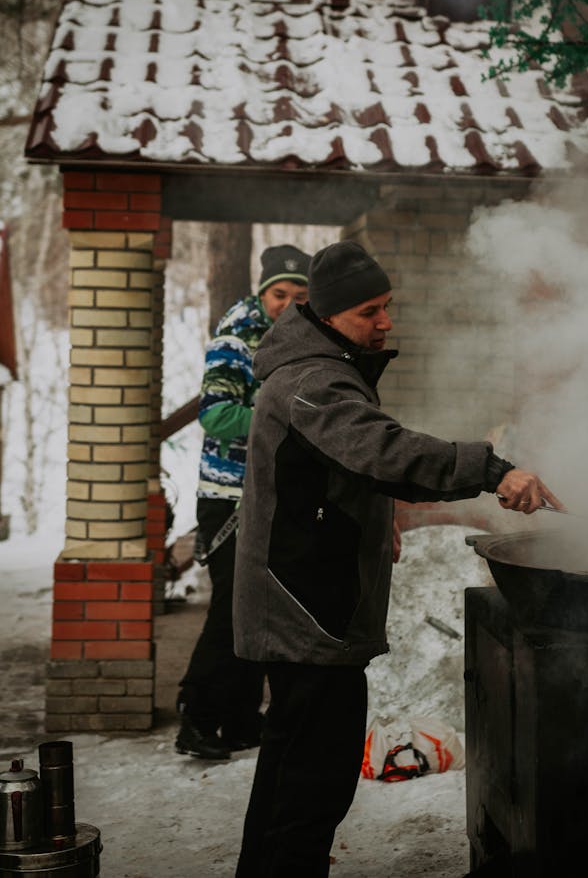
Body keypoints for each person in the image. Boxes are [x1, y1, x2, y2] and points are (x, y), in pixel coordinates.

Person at [231, 240, 562, 875]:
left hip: (304, 604)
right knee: (310, 789)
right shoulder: (311, 380)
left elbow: (333, 468)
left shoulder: (321, 367)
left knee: (288, 779)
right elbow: (382, 449)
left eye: (388, 306)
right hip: (303, 614)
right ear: (326, 317)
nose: (385, 321)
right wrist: (491, 469)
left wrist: (376, 519)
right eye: (368, 312)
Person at [175, 244, 311, 760]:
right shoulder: (237, 336)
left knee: (258, 609)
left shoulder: (300, 335)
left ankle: (239, 720)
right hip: (229, 497)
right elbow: (215, 414)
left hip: (268, 494)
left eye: (300, 295)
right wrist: (279, 416)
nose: (289, 303)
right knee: (234, 609)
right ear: (263, 292)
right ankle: (198, 716)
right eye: (280, 293)